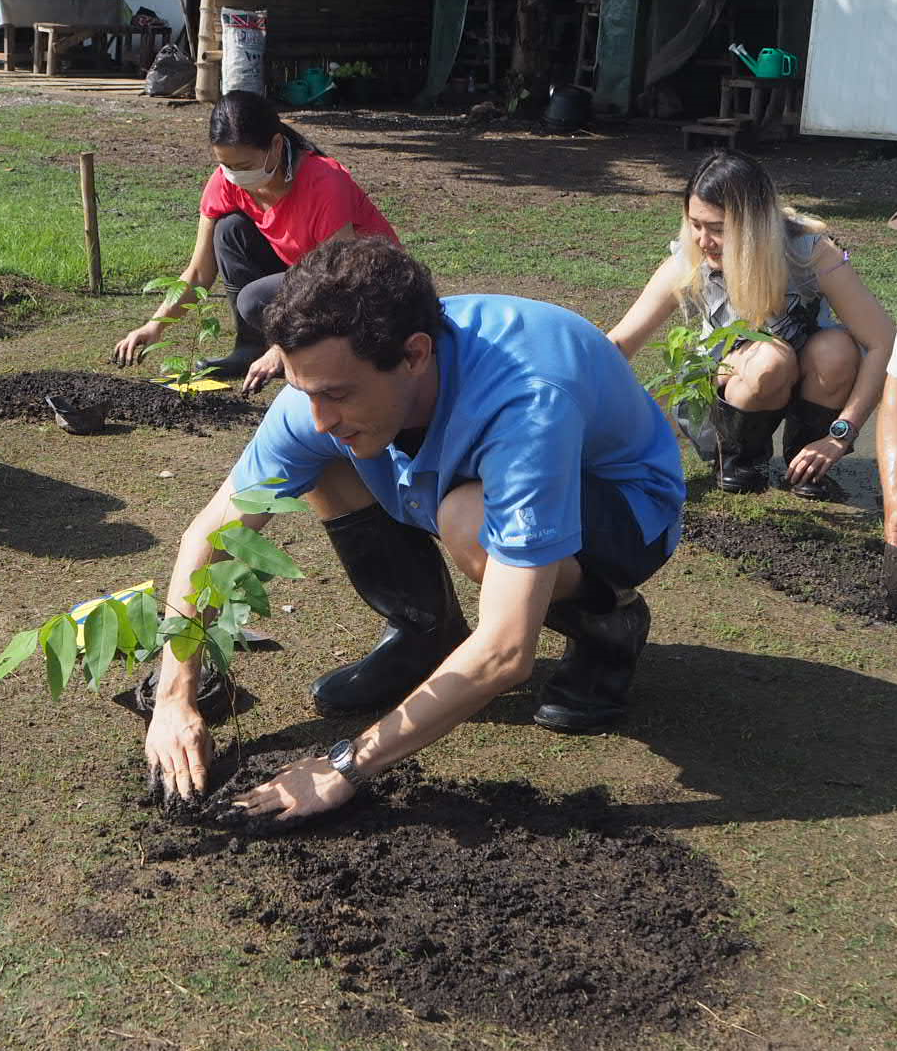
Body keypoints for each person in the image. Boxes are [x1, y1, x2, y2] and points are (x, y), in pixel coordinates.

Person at [144, 238, 686, 821]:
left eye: (337, 393)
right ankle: (425, 628)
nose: (320, 415)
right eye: (308, 392)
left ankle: (608, 623)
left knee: (469, 519)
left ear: (415, 355)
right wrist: (175, 697)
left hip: (623, 514)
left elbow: (506, 652)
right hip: (457, 475)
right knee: (321, 458)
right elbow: (214, 530)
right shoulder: (329, 381)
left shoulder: (527, 400)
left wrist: (345, 766)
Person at [609, 150, 894, 498]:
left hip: (805, 377)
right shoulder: (691, 256)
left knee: (837, 350)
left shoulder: (811, 252)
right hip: (735, 385)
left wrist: (841, 434)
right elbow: (621, 342)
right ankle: (739, 461)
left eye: (717, 229)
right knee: (771, 359)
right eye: (695, 224)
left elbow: (883, 341)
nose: (702, 240)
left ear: (755, 225)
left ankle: (806, 462)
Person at [112, 89, 398, 394]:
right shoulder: (225, 182)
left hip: (370, 289)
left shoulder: (324, 182)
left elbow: (341, 281)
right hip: (311, 274)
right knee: (230, 229)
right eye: (226, 165)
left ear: (276, 145)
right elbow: (198, 272)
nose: (235, 176)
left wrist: (285, 348)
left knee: (255, 299)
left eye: (245, 166)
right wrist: (155, 325)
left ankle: (304, 351)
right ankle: (250, 347)